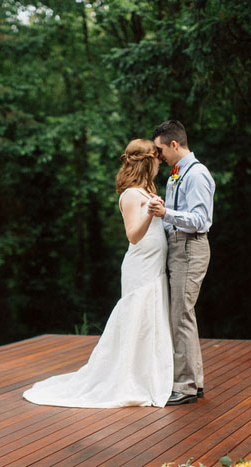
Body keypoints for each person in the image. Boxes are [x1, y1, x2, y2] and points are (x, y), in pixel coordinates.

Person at [23, 139, 173, 408]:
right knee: (137, 317)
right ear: (147, 162)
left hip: (155, 267)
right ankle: (127, 378)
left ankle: (150, 374)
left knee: (151, 320)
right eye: (157, 159)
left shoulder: (146, 192)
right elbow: (133, 236)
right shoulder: (130, 195)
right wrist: (151, 215)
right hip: (141, 267)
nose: (161, 164)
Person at [148, 120, 215, 406]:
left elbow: (200, 221)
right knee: (183, 315)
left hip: (190, 247)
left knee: (181, 315)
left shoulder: (196, 174)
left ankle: (185, 386)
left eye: (161, 149)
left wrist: (166, 214)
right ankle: (193, 382)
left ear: (174, 144)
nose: (159, 156)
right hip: (179, 248)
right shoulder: (178, 173)